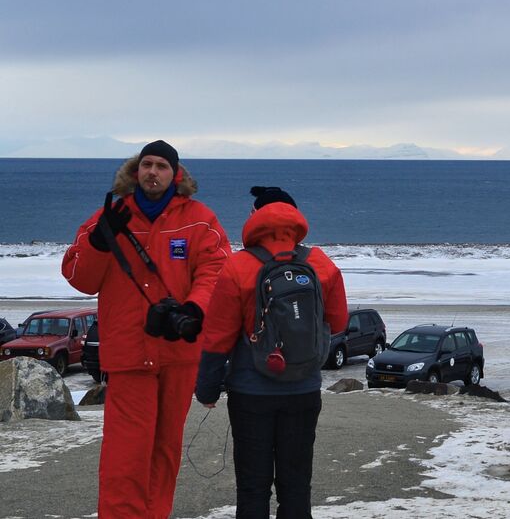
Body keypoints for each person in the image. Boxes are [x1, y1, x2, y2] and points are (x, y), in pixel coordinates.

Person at [62, 139, 230, 518]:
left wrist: (193, 309)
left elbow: (216, 271)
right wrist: (98, 243)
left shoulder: (200, 219)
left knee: (165, 449)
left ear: (176, 174)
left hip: (178, 352)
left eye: (162, 166)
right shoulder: (107, 218)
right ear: (135, 171)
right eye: (147, 164)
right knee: (125, 454)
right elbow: (79, 277)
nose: (153, 172)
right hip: (129, 354)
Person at [195, 186, 348, 518]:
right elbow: (337, 322)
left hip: (251, 393)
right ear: (296, 218)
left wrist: (207, 388)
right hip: (304, 390)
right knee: (296, 486)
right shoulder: (320, 263)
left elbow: (218, 335)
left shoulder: (237, 266)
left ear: (254, 218)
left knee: (253, 487)